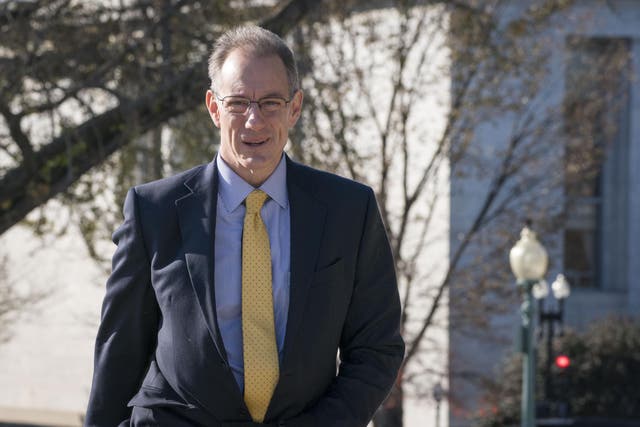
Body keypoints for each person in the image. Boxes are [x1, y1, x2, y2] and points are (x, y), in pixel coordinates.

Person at [85, 25, 404, 427]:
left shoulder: (348, 210)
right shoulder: (155, 211)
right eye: (238, 103)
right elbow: (121, 350)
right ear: (214, 108)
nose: (254, 121)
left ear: (295, 108)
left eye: (271, 102)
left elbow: (377, 349)